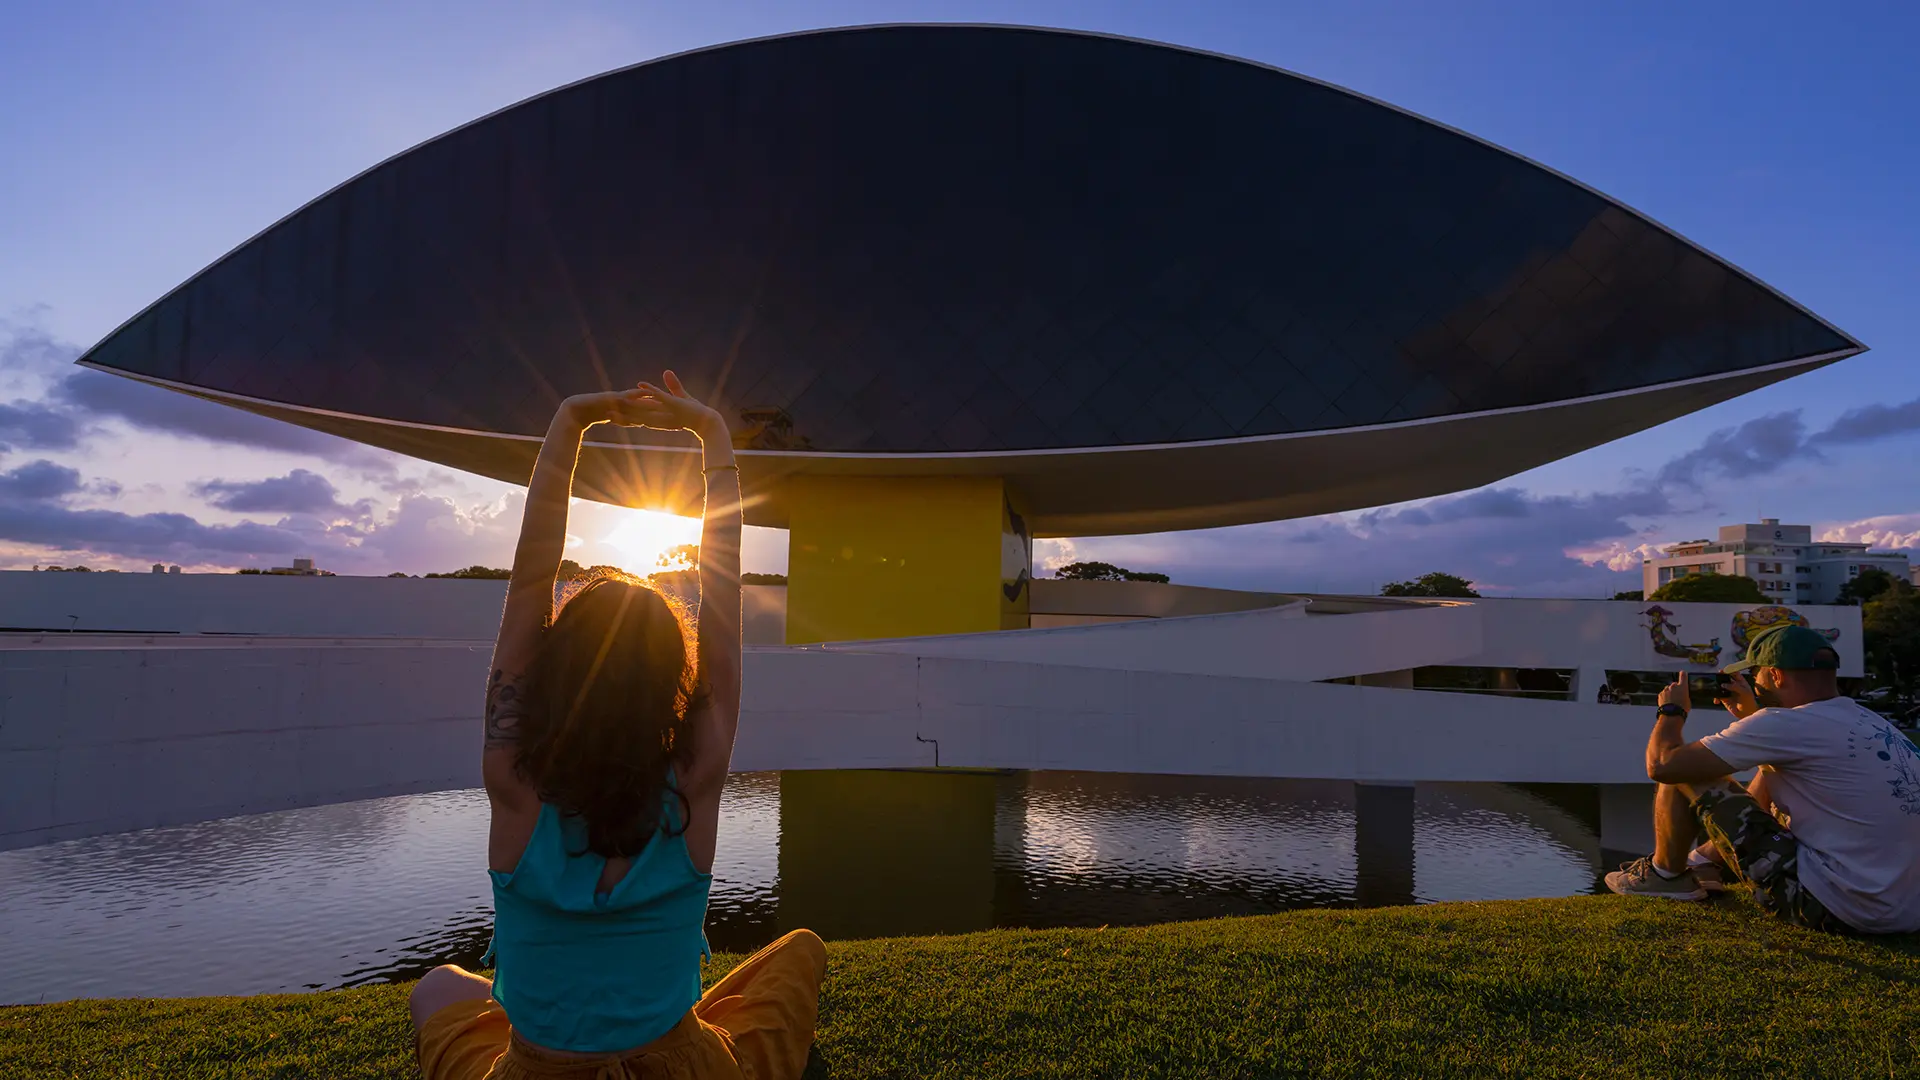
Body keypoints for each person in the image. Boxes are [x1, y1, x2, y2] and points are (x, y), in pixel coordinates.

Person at [407, 374, 827, 1079]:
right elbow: (721, 601)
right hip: (687, 1069)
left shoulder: (512, 782)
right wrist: (711, 436)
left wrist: (571, 424)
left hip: (535, 1072)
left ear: (553, 672)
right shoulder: (695, 780)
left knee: (438, 988)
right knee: (799, 952)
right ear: (671, 682)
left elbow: (529, 584)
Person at [1605, 624, 1920, 934]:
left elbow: (1663, 765)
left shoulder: (1786, 725)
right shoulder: (1871, 722)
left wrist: (1672, 710)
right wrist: (1751, 716)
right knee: (1766, 772)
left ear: (1777, 675)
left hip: (1841, 908)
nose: (1754, 684)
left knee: (1688, 771)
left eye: (1756, 675)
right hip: (1903, 909)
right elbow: (1788, 758)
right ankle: (1703, 862)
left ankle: (1664, 875)